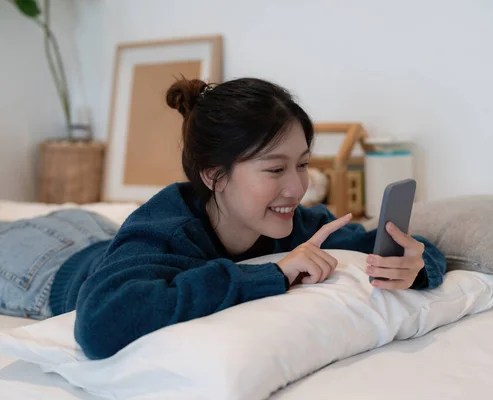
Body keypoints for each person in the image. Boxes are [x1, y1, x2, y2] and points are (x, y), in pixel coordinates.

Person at [0, 77, 447, 360]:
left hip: (98, 233)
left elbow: (375, 241)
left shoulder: (293, 223)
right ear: (215, 176)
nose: (297, 187)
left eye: (303, 164)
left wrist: (417, 265)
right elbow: (99, 327)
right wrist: (270, 275)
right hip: (40, 271)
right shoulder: (169, 227)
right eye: (275, 169)